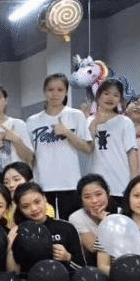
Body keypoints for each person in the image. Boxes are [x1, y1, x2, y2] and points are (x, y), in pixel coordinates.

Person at [26, 73, 93, 219]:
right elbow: (30, 155)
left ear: (66, 92)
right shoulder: (33, 121)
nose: (55, 94)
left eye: (60, 90)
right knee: (45, 223)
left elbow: (88, 148)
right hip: (42, 183)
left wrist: (67, 133)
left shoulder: (76, 115)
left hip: (70, 182)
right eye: (50, 89)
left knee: (70, 224)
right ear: (44, 92)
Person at [88, 78, 138, 206]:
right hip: (97, 185)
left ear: (120, 100)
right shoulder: (89, 122)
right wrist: (95, 123)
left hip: (121, 185)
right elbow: (88, 148)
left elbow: (132, 153)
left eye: (116, 95)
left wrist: (135, 183)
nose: (110, 98)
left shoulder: (125, 122)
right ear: (98, 97)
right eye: (106, 93)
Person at [68, 174, 114, 266]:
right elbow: (93, 248)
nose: (94, 201)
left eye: (98, 194)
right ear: (81, 200)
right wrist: (104, 223)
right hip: (91, 265)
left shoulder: (120, 213)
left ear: (107, 193)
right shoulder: (76, 217)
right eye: (87, 197)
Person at [0, 162, 54, 226]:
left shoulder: (45, 208)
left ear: (29, 181)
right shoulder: (4, 208)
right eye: (6, 182)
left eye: (16, 179)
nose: (11, 185)